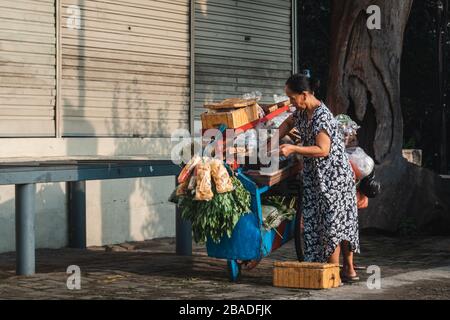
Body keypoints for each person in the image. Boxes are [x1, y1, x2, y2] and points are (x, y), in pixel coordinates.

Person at [278, 72, 360, 282]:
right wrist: (270, 140)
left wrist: (293, 148)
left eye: (292, 98)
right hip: (316, 177)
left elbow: (323, 149)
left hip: (334, 179)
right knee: (331, 223)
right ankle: (344, 271)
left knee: (334, 225)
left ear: (304, 94)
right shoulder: (303, 113)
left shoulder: (321, 116)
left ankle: (334, 273)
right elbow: (287, 124)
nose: (291, 102)